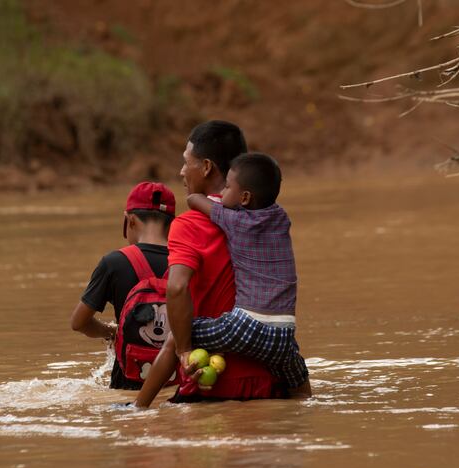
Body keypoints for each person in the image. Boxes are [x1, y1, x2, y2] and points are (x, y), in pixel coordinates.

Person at [136, 120, 307, 406]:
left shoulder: (190, 224)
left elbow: (176, 289)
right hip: (272, 385)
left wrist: (183, 350)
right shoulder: (268, 220)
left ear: (205, 167)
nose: (181, 171)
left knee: (181, 334)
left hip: (212, 388)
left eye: (185, 162)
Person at [183, 152, 310, 394]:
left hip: (246, 327)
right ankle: (304, 409)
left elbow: (194, 200)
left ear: (244, 197)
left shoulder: (235, 222)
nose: (222, 193)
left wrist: (208, 198)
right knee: (298, 379)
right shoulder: (281, 217)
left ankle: (142, 404)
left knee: (184, 330)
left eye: (227, 187)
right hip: (284, 334)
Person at [70, 181, 175, 390]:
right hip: (178, 380)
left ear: (130, 220)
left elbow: (79, 323)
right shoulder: (187, 261)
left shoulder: (114, 263)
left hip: (128, 383)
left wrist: (111, 332)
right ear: (172, 223)